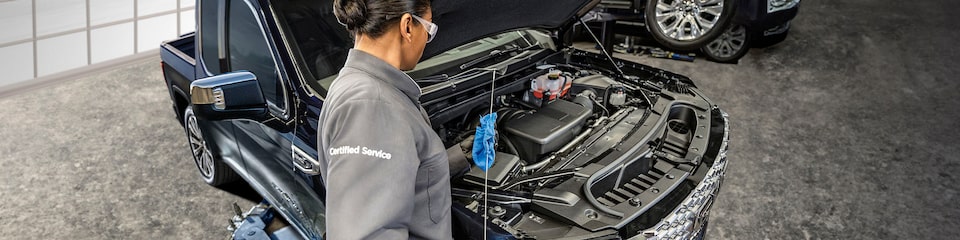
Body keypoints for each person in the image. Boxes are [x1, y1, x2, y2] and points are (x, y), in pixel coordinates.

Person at [318, 0, 468, 239]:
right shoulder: (371, 107)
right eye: (428, 30)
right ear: (408, 26)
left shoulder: (365, 88)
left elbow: (398, 177)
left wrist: (461, 156)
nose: (426, 42)